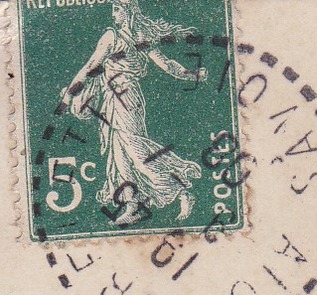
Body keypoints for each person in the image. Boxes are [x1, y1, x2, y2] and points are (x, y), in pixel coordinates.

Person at [58, 0, 207, 226]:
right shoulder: (131, 36)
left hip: (125, 99)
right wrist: (190, 74)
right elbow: (92, 68)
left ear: (128, 11)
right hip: (115, 99)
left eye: (117, 9)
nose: (113, 14)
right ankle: (132, 204)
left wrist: (67, 97)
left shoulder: (120, 36)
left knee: (136, 150)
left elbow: (89, 68)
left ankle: (180, 190)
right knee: (119, 154)